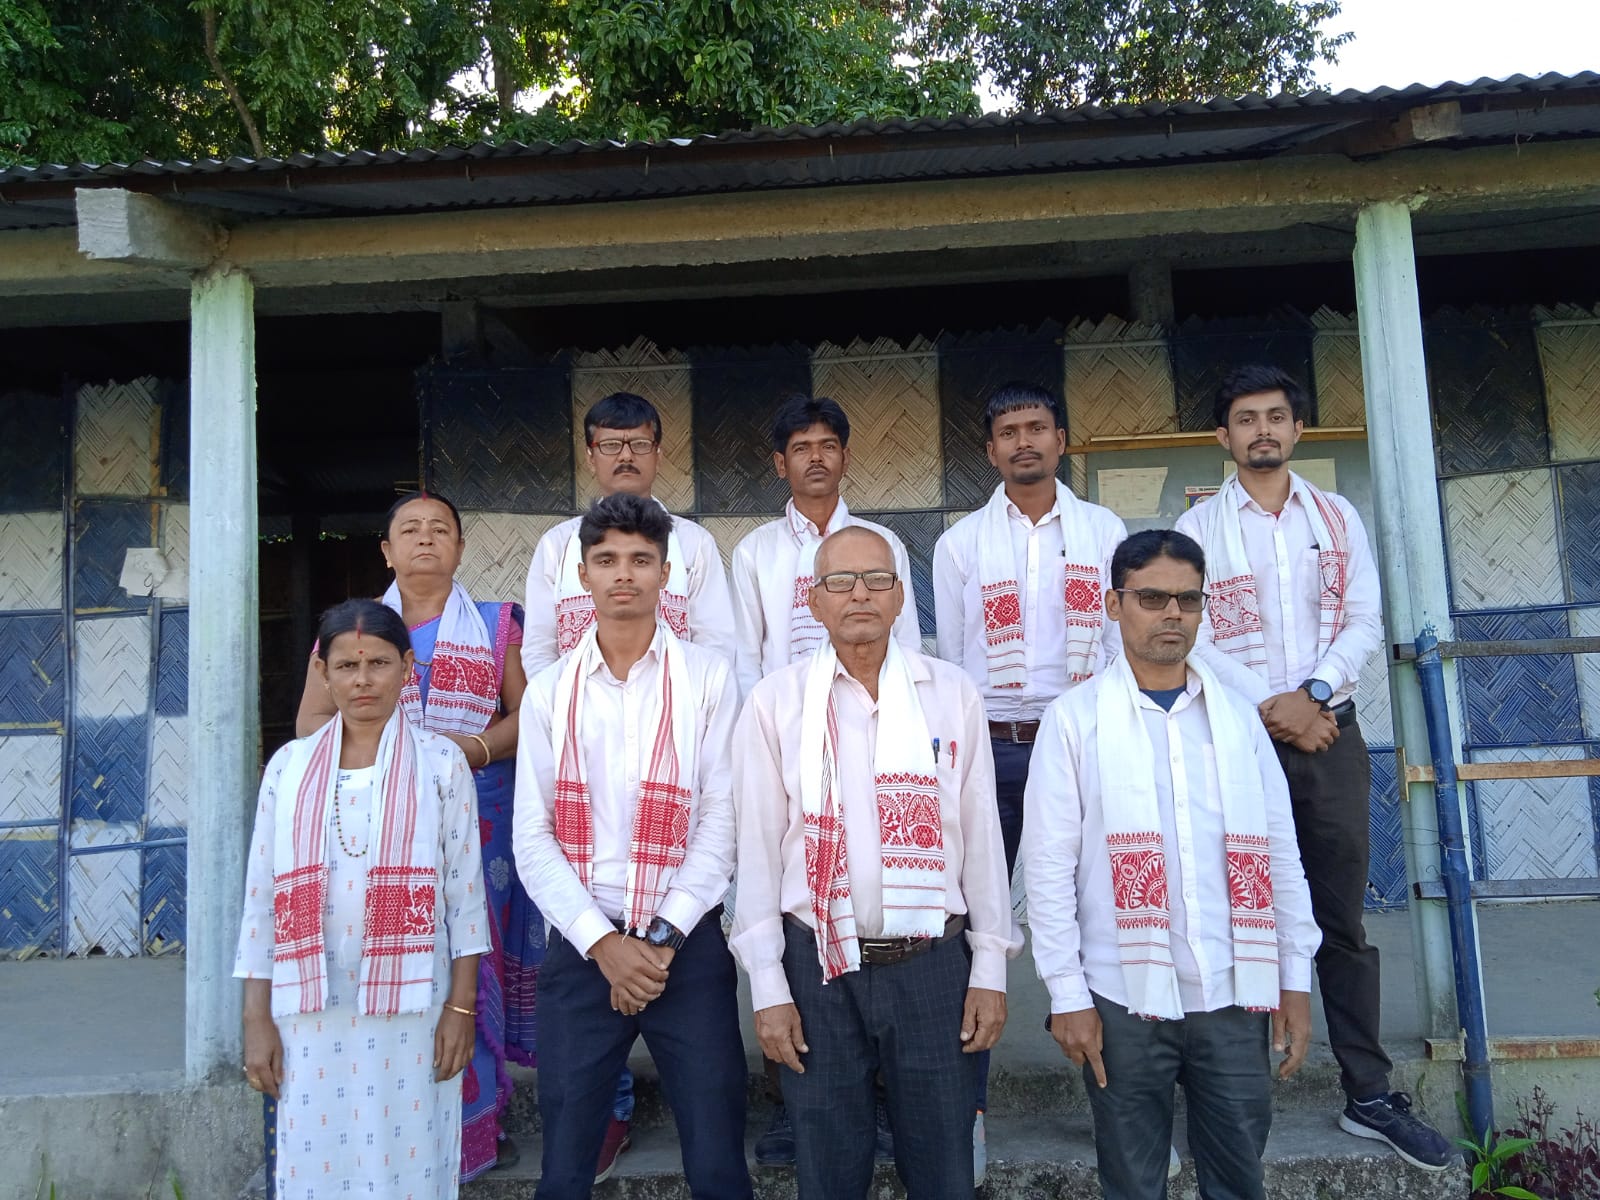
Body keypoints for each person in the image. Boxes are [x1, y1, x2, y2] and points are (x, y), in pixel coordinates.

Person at [1175, 365, 1453, 1171]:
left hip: (1330, 732)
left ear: (1298, 429)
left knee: (1340, 916)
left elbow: (1364, 617)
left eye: (1276, 416)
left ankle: (1368, 1093)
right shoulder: (1195, 528)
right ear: (1223, 437)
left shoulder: (1336, 517)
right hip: (1236, 735)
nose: (1261, 429)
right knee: (1229, 907)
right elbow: (1192, 633)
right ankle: (1225, 1093)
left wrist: (1314, 696)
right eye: (1245, 418)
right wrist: (1275, 706)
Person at [1025, 530, 1322, 1200]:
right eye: (1152, 598)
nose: (1172, 614)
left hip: (1232, 989)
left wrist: (1294, 979)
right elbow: (1047, 871)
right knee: (1132, 1181)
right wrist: (1067, 995)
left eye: (1188, 600)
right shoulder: (1074, 721)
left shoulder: (1238, 719)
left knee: (1239, 1177)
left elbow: (1280, 851)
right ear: (1113, 604)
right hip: (1123, 997)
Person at [731, 525, 1020, 1200]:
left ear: (899, 598)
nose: (859, 594)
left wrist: (990, 969)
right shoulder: (776, 702)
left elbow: (981, 841)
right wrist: (769, 987)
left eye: (877, 580)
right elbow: (758, 851)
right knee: (828, 1172)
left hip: (932, 968)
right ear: (813, 600)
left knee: (944, 1170)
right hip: (817, 967)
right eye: (840, 581)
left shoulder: (950, 694)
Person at [512, 493, 752, 1200]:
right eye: (607, 559)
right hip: (584, 949)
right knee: (565, 1164)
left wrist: (661, 936)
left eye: (641, 560)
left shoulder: (708, 678)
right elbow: (533, 835)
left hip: (687, 945)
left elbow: (723, 817)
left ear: (665, 574)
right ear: (583, 573)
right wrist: (605, 945)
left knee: (717, 1154)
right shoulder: (550, 692)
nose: (624, 574)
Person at [294, 491, 537, 1181]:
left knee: (471, 957)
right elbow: (311, 724)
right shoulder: (352, 631)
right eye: (410, 529)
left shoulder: (495, 623)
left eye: (440, 529)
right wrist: (396, 755)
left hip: (482, 814)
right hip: (380, 825)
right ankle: (399, 1120)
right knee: (398, 962)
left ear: (460, 547)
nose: (425, 539)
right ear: (386, 550)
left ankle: (478, 1124)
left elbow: (527, 715)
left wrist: (470, 751)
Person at [931, 380, 1127, 1178]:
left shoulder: (1103, 531)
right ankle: (965, 1116)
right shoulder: (961, 545)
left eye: (1036, 428)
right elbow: (952, 664)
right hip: (996, 748)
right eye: (1008, 431)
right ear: (991, 450)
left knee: (1101, 917)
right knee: (975, 923)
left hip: (1083, 742)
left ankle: (1121, 1113)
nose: (1024, 442)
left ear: (1061, 440)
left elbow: (1115, 646)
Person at [238, 599, 491, 1200]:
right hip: (309, 1005)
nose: (363, 680)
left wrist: (460, 1009)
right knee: (317, 1160)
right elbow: (261, 902)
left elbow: (465, 897)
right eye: (347, 665)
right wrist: (256, 1019)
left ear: (407, 668)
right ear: (321, 672)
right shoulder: (289, 768)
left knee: (409, 1159)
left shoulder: (441, 764)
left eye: (378, 663)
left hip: (415, 1002)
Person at [727, 394, 920, 1165]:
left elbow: (908, 641)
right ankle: (793, 1106)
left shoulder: (881, 544)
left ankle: (885, 1104)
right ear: (780, 463)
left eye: (827, 444)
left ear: (844, 455)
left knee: (880, 914)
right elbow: (746, 659)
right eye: (800, 446)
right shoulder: (756, 553)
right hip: (790, 751)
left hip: (878, 743)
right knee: (796, 922)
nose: (815, 457)